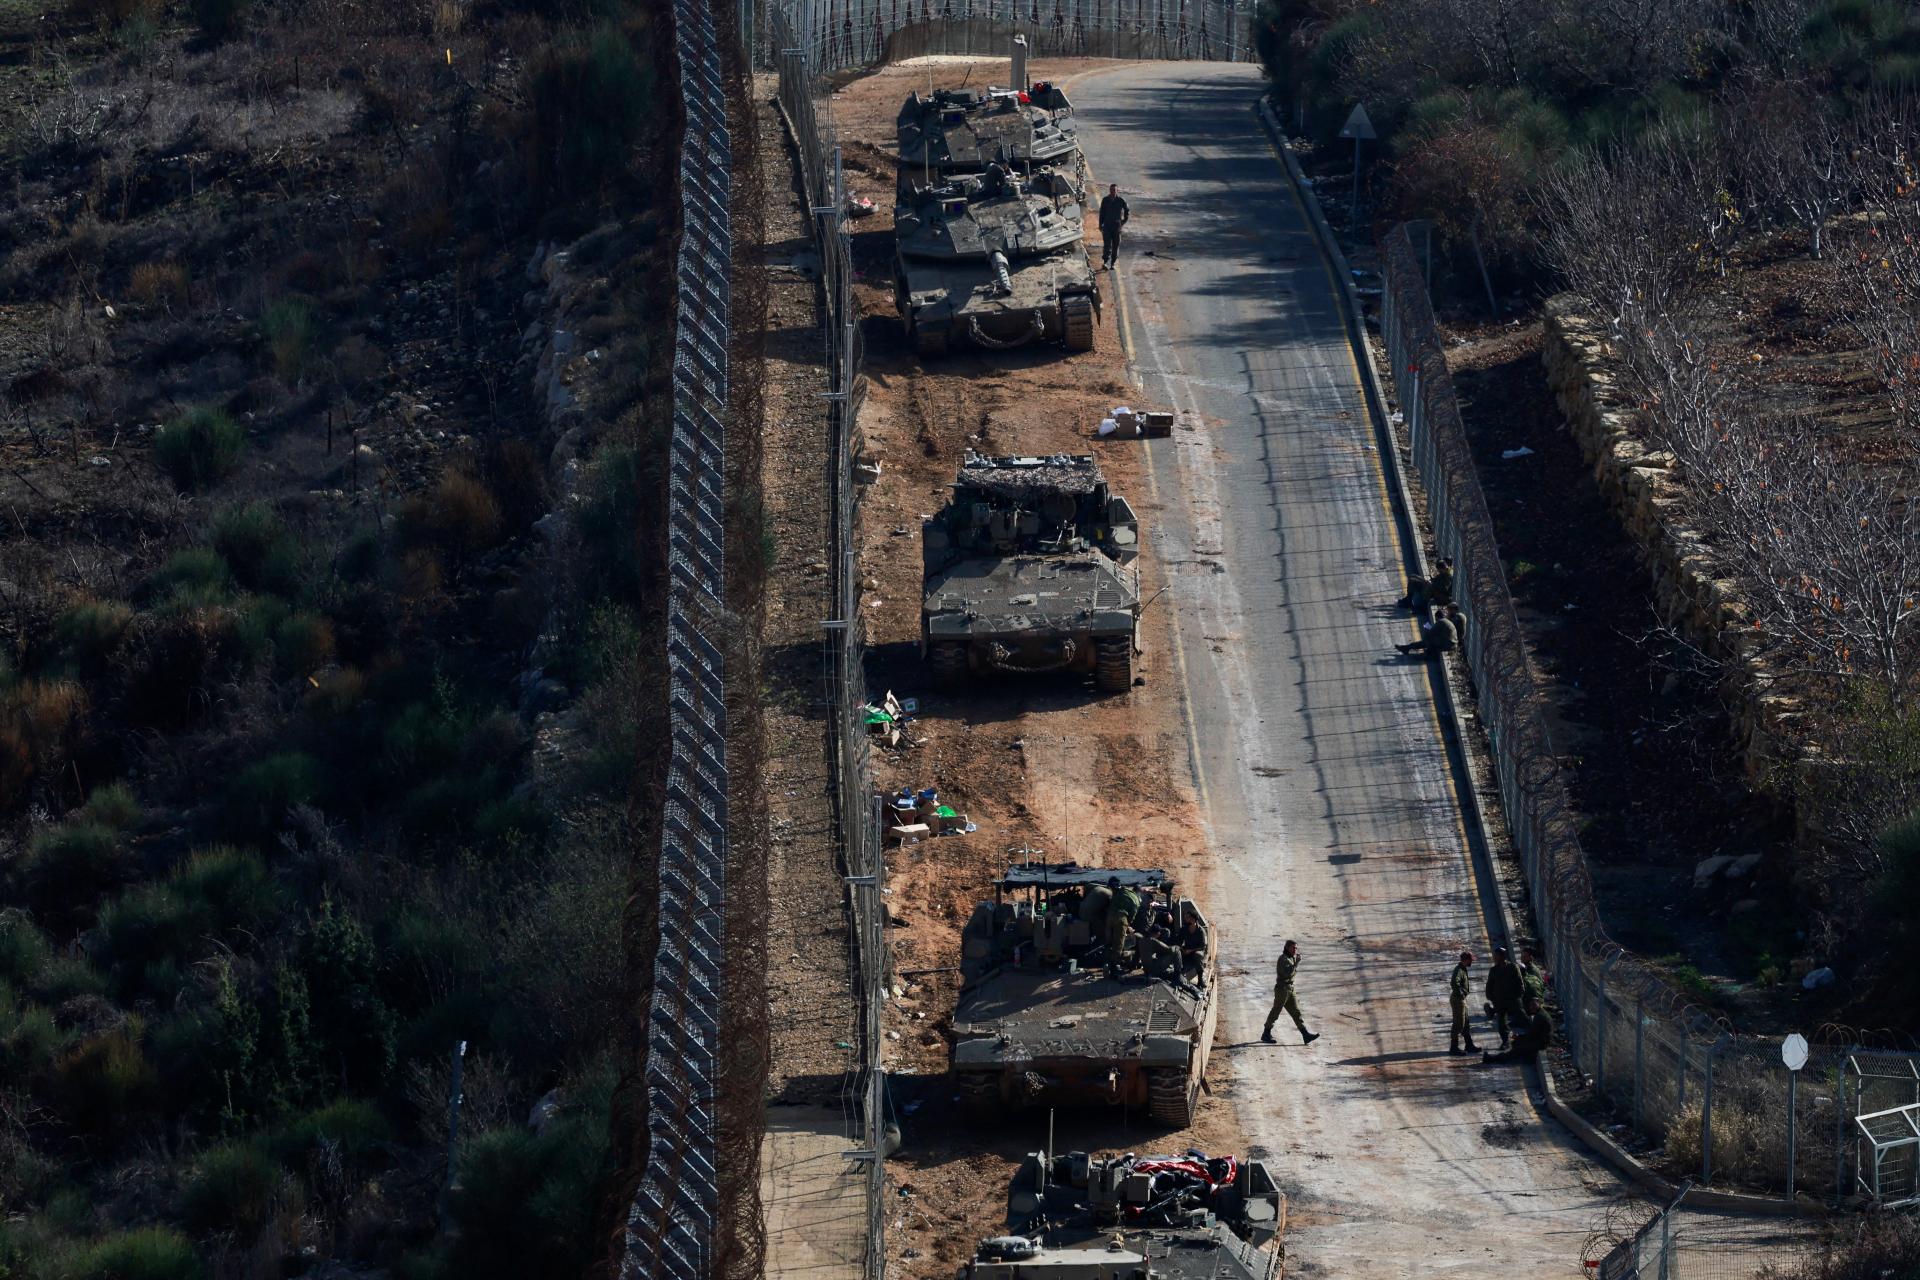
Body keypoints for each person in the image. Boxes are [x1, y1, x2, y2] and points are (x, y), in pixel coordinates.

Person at [1261, 940, 1320, 1045]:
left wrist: (1295, 962)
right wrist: (1296, 963)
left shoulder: (1290, 958)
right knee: (1276, 1012)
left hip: (1290, 988)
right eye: (1293, 948)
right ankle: (1266, 1033)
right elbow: (1287, 973)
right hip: (1282, 989)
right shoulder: (1283, 959)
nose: (1295, 950)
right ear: (1287, 947)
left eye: (1296, 948)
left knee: (1296, 1012)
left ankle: (1305, 1034)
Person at [1483, 997, 1553, 1064]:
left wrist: (1519, 1037)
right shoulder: (1540, 1013)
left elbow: (1532, 1035)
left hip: (1541, 1044)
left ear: (1539, 1004)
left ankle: (1493, 1059)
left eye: (1534, 1005)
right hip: (1541, 1040)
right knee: (1516, 1043)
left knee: (1517, 1049)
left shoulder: (1539, 1017)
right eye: (1531, 1005)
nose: (1532, 1007)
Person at [1482, 946, 1525, 1050]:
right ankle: (1506, 1041)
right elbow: (1490, 985)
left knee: (1522, 1017)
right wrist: (1491, 997)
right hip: (1500, 1001)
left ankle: (1530, 1036)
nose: (1495, 957)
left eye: (1496, 955)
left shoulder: (1512, 967)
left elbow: (1520, 983)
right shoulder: (1494, 970)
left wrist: (1518, 996)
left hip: (1513, 1000)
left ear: (1502, 956)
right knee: (1502, 1023)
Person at [1449, 950, 1479, 1055]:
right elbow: (1454, 982)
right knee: (1458, 1023)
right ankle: (1454, 1047)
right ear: (1466, 960)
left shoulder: (1462, 969)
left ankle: (1469, 1045)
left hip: (1461, 1000)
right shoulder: (1459, 970)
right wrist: (1461, 993)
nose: (1472, 962)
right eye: (1471, 960)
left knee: (1465, 1023)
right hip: (1458, 1000)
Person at [1098, 183, 1129, 269]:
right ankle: (1105, 262)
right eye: (1111, 190)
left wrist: (1123, 221)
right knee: (1107, 245)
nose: (1112, 192)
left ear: (1117, 191)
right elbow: (1102, 213)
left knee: (1116, 245)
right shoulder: (1105, 200)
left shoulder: (1120, 200)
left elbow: (1127, 210)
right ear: (1109, 190)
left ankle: (1113, 263)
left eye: (1114, 190)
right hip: (1107, 226)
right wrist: (1100, 225)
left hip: (1116, 226)